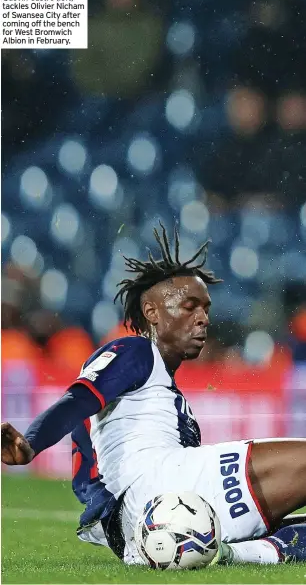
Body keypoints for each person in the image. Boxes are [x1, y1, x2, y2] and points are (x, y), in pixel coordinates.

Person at [2, 223, 306, 566]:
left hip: (144, 527)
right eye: (189, 306)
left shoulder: (160, 387)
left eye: (205, 308)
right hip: (156, 490)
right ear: (153, 313)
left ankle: (227, 553)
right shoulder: (135, 351)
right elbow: (79, 400)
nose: (203, 318)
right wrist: (30, 443)